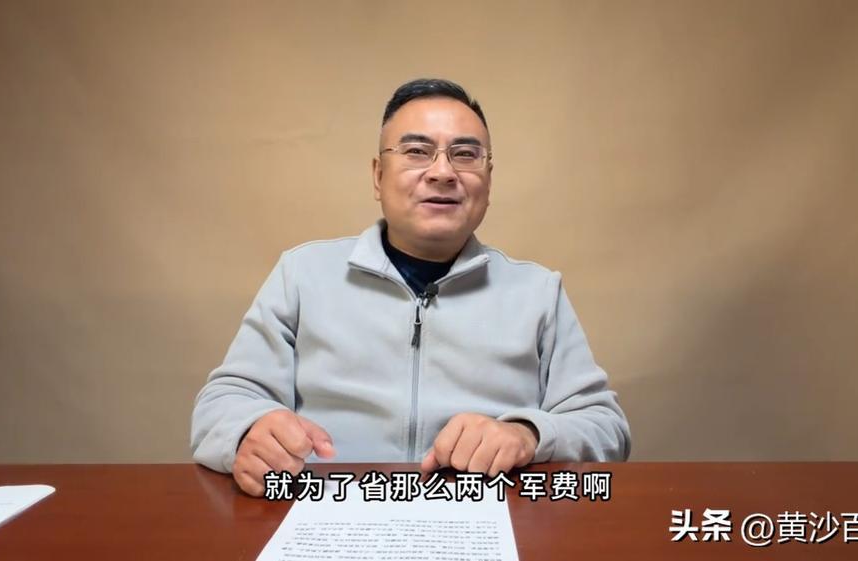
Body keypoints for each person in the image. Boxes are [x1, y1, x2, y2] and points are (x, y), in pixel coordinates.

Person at [191, 78, 631, 497]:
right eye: (417, 151)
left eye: (465, 154)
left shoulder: (537, 292)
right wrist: (248, 431)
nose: (442, 172)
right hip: (332, 513)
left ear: (489, 179)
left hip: (487, 517)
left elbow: (604, 426)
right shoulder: (302, 274)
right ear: (378, 175)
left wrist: (527, 435)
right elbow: (223, 402)